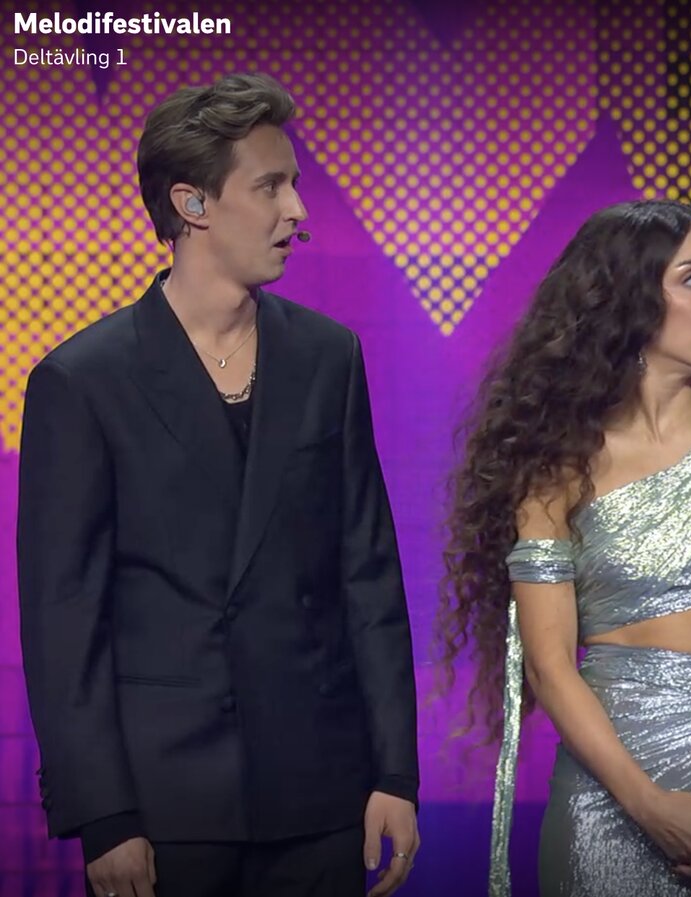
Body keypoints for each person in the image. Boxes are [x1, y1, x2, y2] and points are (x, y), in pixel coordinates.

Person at [16, 73, 420, 897]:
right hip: (166, 803)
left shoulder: (327, 357)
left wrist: (394, 772)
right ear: (192, 204)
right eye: (270, 186)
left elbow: (368, 576)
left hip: (319, 790)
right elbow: (64, 620)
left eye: (294, 184)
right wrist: (105, 814)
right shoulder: (83, 381)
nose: (298, 210)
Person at [437, 199, 691, 896]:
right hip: (610, 795)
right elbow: (550, 664)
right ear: (627, 299)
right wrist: (647, 804)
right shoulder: (554, 460)